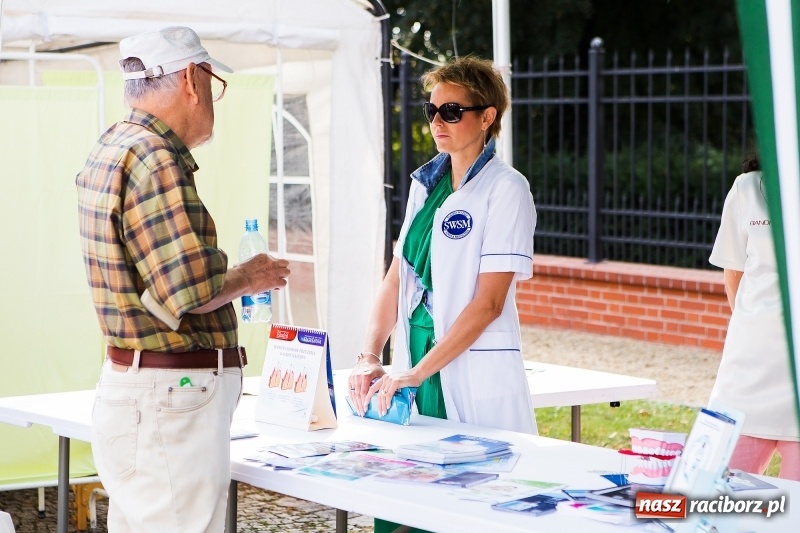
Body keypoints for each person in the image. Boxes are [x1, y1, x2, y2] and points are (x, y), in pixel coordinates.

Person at [75, 27, 290, 532]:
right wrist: (250, 276)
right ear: (192, 79)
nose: (213, 99)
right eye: (213, 83)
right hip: (171, 397)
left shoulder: (112, 145)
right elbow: (190, 291)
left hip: (140, 389)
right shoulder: (154, 156)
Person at [708, 158, 800, 480]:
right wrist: (754, 327)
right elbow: (733, 273)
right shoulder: (747, 187)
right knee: (718, 488)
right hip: (748, 370)